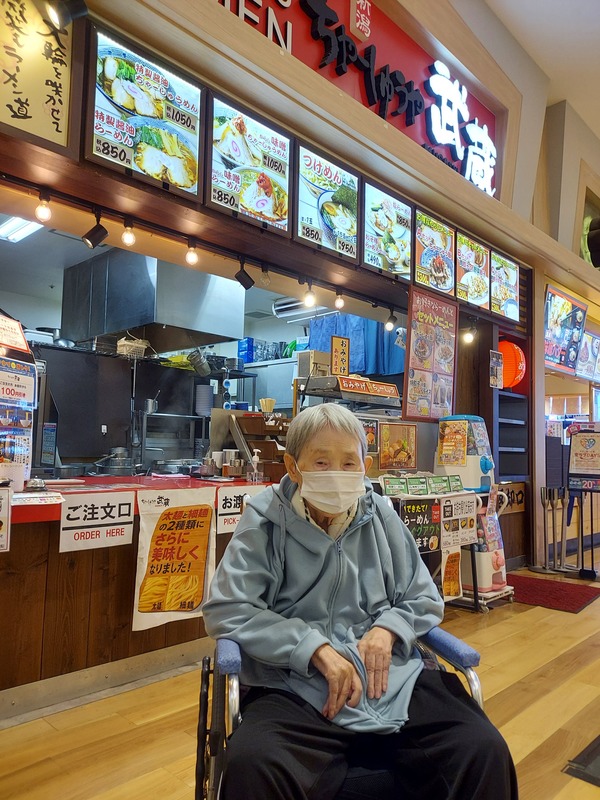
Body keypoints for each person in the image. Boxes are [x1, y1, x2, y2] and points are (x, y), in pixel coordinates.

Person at [202, 404, 518, 799]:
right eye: (321, 461)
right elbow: (229, 608)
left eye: (349, 462)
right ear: (293, 467)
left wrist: (389, 629)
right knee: (253, 764)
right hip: (294, 684)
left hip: (391, 678)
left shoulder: (381, 515)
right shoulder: (265, 521)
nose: (337, 473)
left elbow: (422, 595)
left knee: (482, 749)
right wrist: (312, 647)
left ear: (365, 467)